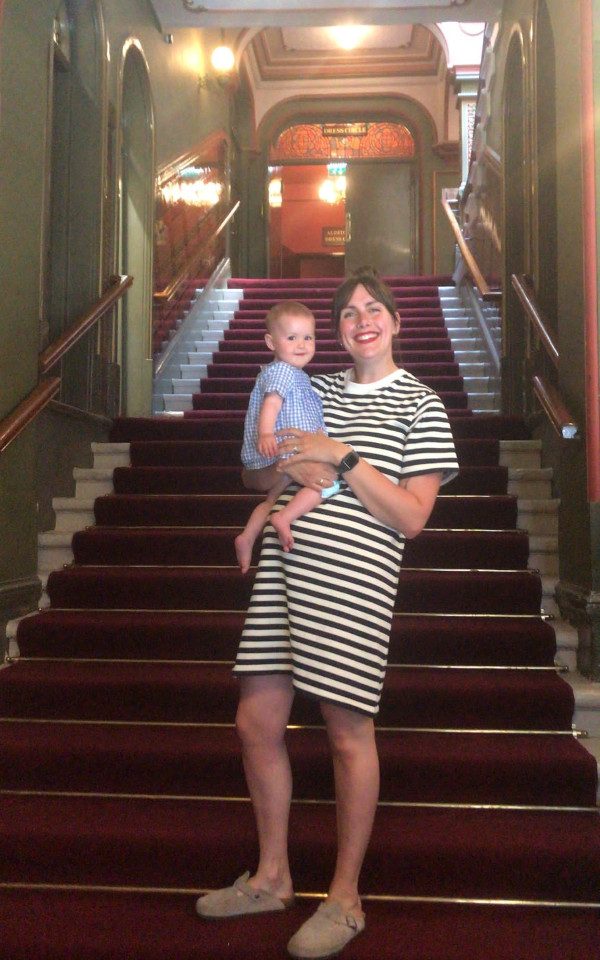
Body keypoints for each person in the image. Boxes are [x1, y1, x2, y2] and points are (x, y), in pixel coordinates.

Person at [197, 268, 459, 959]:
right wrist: (274, 463)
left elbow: (409, 518)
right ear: (335, 330)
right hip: (282, 574)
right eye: (347, 313)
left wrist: (341, 456)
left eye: (374, 309)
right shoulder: (311, 384)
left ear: (397, 321)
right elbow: (261, 473)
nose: (361, 320)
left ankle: (344, 898)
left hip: (353, 584)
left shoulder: (420, 405)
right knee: (255, 720)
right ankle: (273, 877)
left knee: (346, 733)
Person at [234, 300, 339, 574]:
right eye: (291, 338)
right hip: (286, 447)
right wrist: (266, 433)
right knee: (329, 482)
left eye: (308, 337)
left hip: (285, 450)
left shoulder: (299, 375)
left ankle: (247, 536)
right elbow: (271, 403)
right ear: (271, 342)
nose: (301, 344)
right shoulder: (282, 371)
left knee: (270, 498)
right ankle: (285, 516)